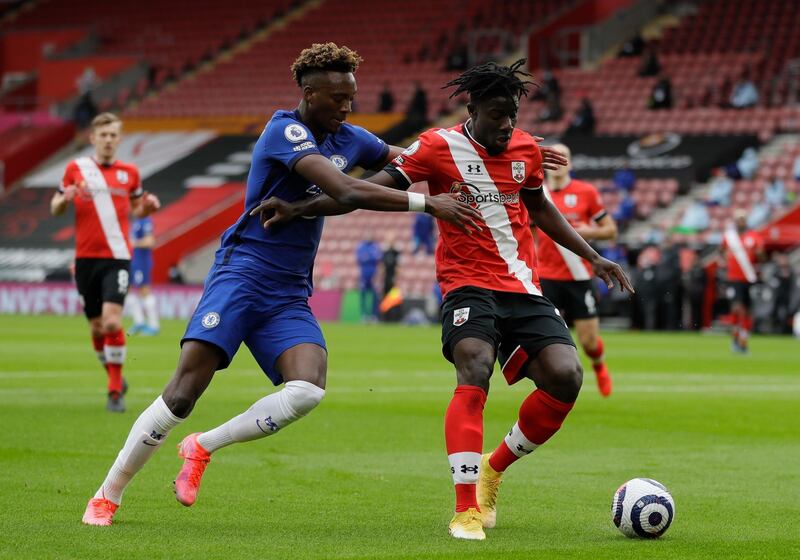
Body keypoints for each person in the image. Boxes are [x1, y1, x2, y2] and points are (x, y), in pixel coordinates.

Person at [80, 42, 482, 527]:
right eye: (338, 98)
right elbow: (347, 191)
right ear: (310, 94)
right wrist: (427, 205)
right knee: (184, 393)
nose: (347, 107)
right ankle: (108, 493)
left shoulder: (351, 138)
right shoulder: (282, 131)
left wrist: (481, 158)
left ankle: (203, 446)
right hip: (242, 273)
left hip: (289, 290)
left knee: (308, 389)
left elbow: (416, 160)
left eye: (351, 97)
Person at [257, 59, 632, 541]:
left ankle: (493, 471)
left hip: (521, 285)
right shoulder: (437, 146)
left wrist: (594, 256)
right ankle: (465, 508)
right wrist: (303, 207)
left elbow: (540, 208)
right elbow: (370, 190)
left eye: (513, 114)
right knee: (474, 367)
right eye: (497, 113)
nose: (507, 124)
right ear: (471, 107)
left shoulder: (524, 150)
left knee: (565, 376)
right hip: (466, 285)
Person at [50, 112, 161, 413]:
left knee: (112, 321)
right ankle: (116, 375)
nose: (109, 140)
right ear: (93, 138)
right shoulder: (77, 169)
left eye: (114, 135)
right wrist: (63, 199)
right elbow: (56, 207)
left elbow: (138, 210)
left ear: (119, 139)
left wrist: (148, 208)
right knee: (97, 328)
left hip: (117, 257)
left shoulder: (130, 173)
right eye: (104, 135)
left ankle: (114, 392)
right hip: (85, 259)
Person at [535, 144, 619, 396]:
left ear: (571, 163)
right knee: (546, 339)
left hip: (579, 276)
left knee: (589, 342)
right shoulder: (535, 192)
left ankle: (599, 364)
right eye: (555, 157)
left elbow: (611, 230)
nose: (560, 162)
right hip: (546, 277)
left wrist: (586, 231)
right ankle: (550, 384)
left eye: (565, 158)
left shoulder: (586, 192)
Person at [722, 209, 765, 353]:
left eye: (743, 219)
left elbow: (762, 256)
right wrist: (725, 263)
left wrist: (760, 256)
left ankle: (743, 342)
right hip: (733, 279)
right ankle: (735, 339)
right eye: (738, 219)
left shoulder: (754, 236)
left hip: (749, 278)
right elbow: (721, 251)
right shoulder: (729, 237)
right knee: (736, 308)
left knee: (746, 312)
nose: (741, 221)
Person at [128, 216, 160, 335]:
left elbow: (150, 241)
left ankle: (153, 325)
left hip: (141, 262)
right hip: (133, 261)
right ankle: (139, 321)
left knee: (144, 290)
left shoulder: (145, 221)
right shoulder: (136, 221)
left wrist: (133, 242)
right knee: (127, 289)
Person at [356, 234, 382, 321]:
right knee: (363, 295)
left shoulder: (375, 246)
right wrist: (369, 258)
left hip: (373, 274)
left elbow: (377, 258)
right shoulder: (361, 246)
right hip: (364, 274)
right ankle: (364, 315)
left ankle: (374, 315)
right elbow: (359, 259)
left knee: (374, 295)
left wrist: (367, 257)